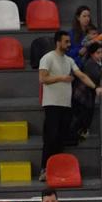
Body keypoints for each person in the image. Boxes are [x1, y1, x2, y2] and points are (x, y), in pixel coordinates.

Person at [37, 30, 84, 162]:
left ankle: (57, 166)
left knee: (61, 138)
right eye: (66, 42)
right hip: (52, 103)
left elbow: (80, 75)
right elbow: (43, 78)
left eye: (69, 42)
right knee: (51, 137)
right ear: (58, 42)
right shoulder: (48, 58)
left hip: (66, 104)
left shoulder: (69, 60)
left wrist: (95, 86)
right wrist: (61, 78)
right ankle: (45, 168)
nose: (69, 44)